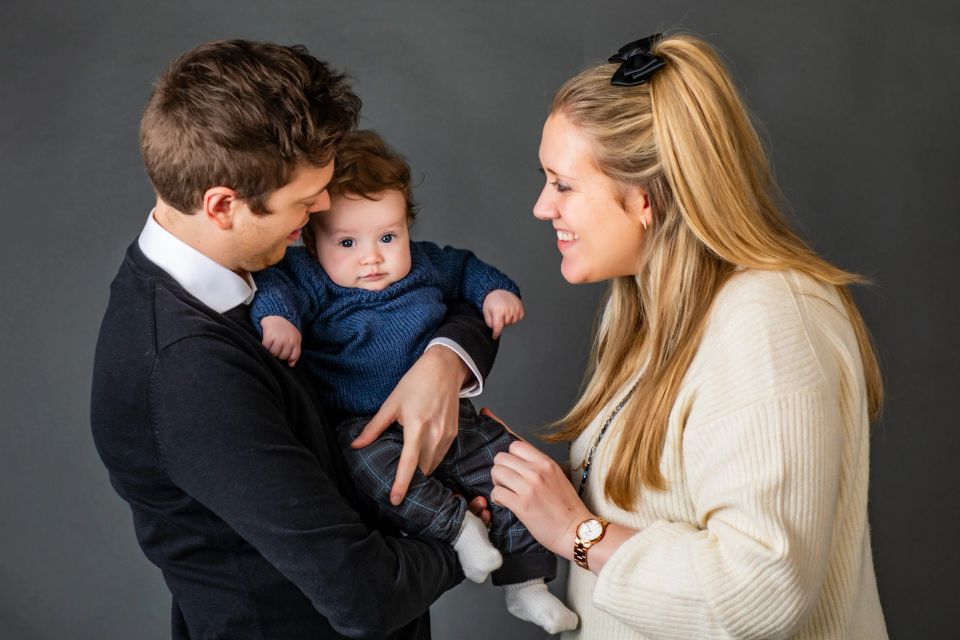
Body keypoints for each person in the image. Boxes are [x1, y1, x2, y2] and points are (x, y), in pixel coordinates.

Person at [90, 40, 500, 640]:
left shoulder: (263, 268)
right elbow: (363, 594)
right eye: (305, 202)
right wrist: (459, 535)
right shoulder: (185, 368)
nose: (325, 210)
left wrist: (440, 364)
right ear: (223, 205)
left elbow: (445, 294)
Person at [488, 33, 888, 638]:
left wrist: (576, 531)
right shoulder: (649, 313)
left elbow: (761, 589)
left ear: (644, 199)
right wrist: (533, 495)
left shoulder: (771, 317)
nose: (543, 207)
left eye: (563, 184)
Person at [250, 129, 577, 634]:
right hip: (367, 427)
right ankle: (459, 528)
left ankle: (526, 585)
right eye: (348, 242)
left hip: (452, 416)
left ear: (406, 227)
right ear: (311, 242)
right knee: (370, 469)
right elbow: (276, 288)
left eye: (388, 236)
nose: (372, 257)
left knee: (510, 464)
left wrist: (495, 292)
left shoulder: (425, 264)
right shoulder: (310, 279)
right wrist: (279, 321)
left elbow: (468, 270)